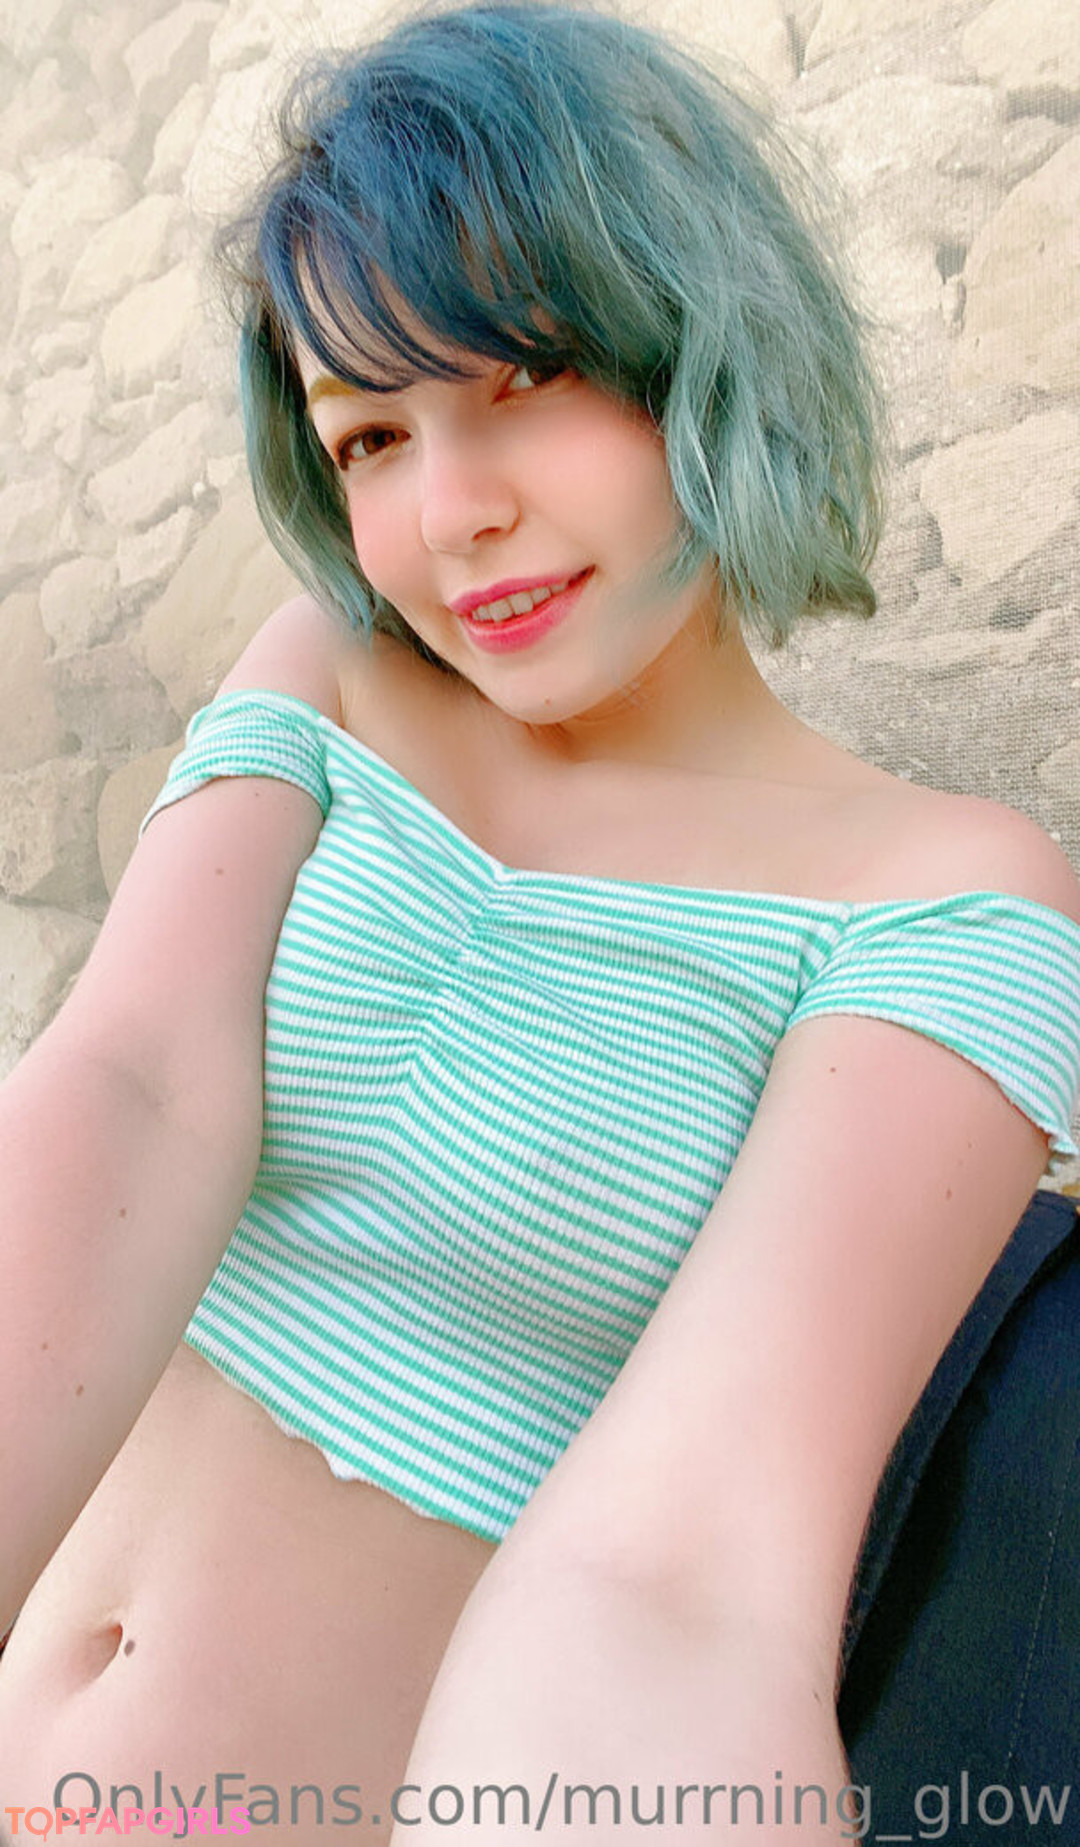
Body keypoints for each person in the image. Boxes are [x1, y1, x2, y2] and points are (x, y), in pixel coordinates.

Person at [2, 2, 1079, 1841]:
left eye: (530, 380)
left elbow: (690, 1582)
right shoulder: (334, 673)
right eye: (369, 438)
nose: (452, 515)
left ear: (706, 332)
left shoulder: (943, 894)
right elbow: (128, 1095)